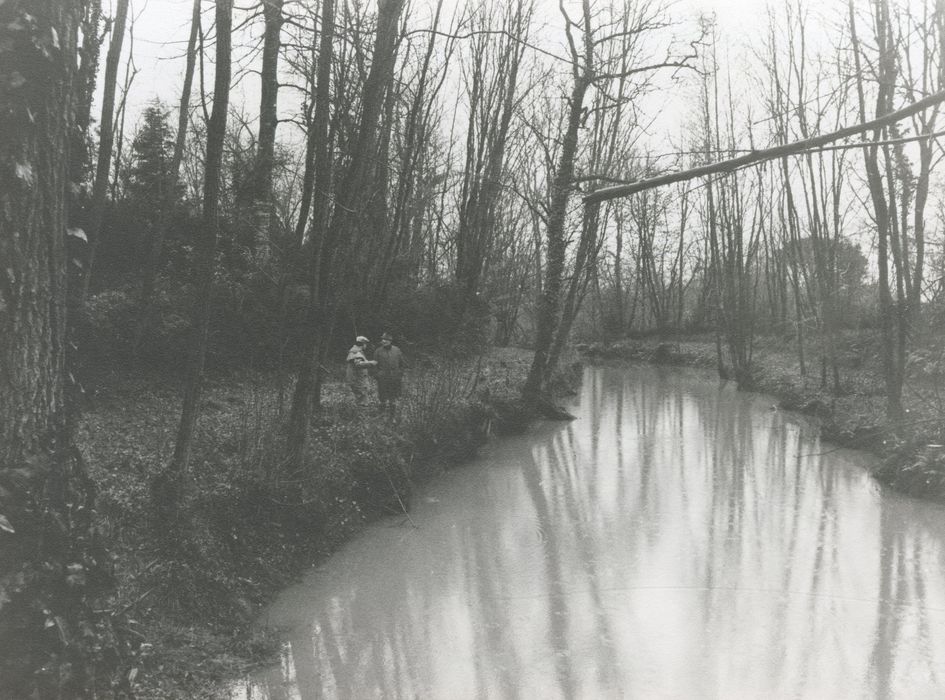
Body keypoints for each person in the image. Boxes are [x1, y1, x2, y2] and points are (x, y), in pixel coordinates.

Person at [373, 331, 406, 416]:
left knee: (393, 398)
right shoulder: (378, 351)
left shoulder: (397, 350)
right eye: (383, 339)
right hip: (382, 379)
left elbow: (402, 364)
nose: (383, 341)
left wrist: (399, 374)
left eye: (386, 340)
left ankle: (392, 416)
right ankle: (381, 415)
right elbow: (374, 365)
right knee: (382, 398)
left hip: (394, 378)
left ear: (390, 341)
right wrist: (377, 375)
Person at [346, 336, 376, 406]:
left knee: (361, 398)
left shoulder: (355, 351)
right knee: (362, 400)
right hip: (358, 380)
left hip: (357, 379)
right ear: (363, 344)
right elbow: (358, 364)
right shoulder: (356, 352)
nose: (366, 346)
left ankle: (360, 413)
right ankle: (361, 414)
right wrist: (371, 363)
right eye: (365, 344)